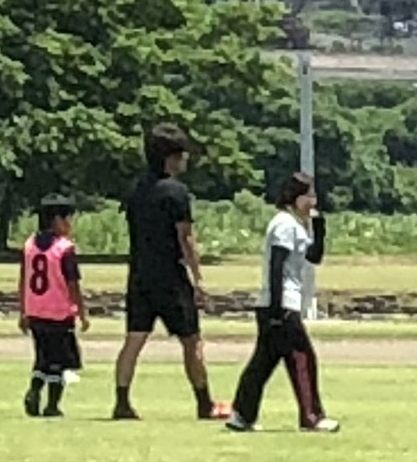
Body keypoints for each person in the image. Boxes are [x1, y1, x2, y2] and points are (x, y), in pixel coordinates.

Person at [111, 126, 213, 424]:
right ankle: (204, 403)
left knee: (134, 339)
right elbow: (186, 239)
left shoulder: (136, 190)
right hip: (170, 276)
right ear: (171, 158)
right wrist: (198, 278)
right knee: (191, 340)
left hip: (140, 274)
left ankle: (121, 401)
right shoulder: (176, 192)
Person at [220, 172, 334, 435]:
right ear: (295, 197)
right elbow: (276, 265)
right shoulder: (284, 224)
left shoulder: (299, 224)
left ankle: (242, 415)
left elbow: (313, 258)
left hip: (279, 302)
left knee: (264, 361)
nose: (313, 201)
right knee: (303, 358)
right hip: (281, 302)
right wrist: (276, 308)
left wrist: (319, 228)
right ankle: (312, 416)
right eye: (309, 195)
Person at [18, 194, 84, 418]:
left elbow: (23, 279)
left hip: (35, 311)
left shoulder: (29, 246)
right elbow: (73, 283)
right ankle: (52, 405)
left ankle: (34, 390)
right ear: (56, 220)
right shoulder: (64, 248)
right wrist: (82, 312)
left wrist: (23, 310)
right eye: (67, 219)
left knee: (42, 357)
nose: (69, 224)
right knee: (59, 362)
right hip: (59, 312)